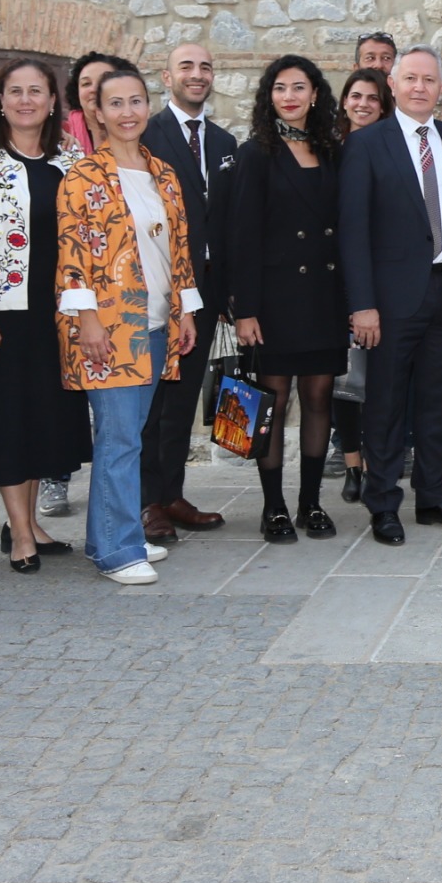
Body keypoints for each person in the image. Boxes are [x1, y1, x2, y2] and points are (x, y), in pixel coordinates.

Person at [341, 47, 442, 545]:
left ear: (441, 87)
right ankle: (383, 504)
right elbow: (353, 231)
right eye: (410, 78)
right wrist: (361, 304)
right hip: (389, 301)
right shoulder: (368, 144)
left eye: (429, 80)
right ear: (393, 83)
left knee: (437, 403)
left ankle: (433, 497)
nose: (419, 88)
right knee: (385, 405)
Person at [56, 64, 200, 585]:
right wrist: (88, 320)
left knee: (130, 436)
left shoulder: (163, 173)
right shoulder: (83, 176)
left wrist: (185, 312)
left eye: (136, 101)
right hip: (109, 327)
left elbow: (178, 249)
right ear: (97, 111)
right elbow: (71, 254)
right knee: (119, 439)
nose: (127, 112)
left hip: (157, 324)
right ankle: (117, 550)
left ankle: (110, 535)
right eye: (115, 103)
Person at [0, 61, 90, 573]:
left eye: (36, 91)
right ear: (1, 100)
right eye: (15, 91)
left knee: (42, 422)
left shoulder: (71, 159)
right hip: (2, 314)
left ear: (54, 102)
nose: (26, 100)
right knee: (6, 423)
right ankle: (19, 535)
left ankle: (30, 521)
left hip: (54, 315)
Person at [228, 55, 348, 543]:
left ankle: (311, 503)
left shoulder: (334, 151)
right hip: (275, 298)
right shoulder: (256, 153)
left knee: (319, 396)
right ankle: (274, 506)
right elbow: (242, 236)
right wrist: (245, 311)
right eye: (280, 88)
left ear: (315, 94)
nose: (290, 97)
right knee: (274, 400)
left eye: (299, 87)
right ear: (269, 97)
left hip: (325, 294)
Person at [139, 42, 237, 543]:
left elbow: (230, 222)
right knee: (151, 405)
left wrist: (230, 296)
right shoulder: (146, 135)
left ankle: (172, 493)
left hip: (208, 294)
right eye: (187, 67)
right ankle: (146, 502)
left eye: (205, 66)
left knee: (181, 404)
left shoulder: (223, 142)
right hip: (159, 291)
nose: (197, 75)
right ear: (167, 76)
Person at [41, 50, 127, 521]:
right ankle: (57, 478)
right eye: (88, 83)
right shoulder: (63, 147)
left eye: (105, 83)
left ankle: (117, 506)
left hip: (121, 295)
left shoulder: (133, 146)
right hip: (69, 291)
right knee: (63, 394)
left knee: (117, 413)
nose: (96, 91)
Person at [330, 64, 392, 500]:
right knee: (343, 379)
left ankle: (375, 461)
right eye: (355, 96)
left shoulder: (392, 150)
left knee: (379, 377)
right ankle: (352, 464)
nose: (363, 104)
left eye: (372, 98)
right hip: (333, 278)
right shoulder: (328, 149)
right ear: (344, 101)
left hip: (381, 276)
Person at [60, 51, 120, 156]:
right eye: (86, 83)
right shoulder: (61, 135)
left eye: (104, 80)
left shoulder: (140, 132)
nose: (94, 89)